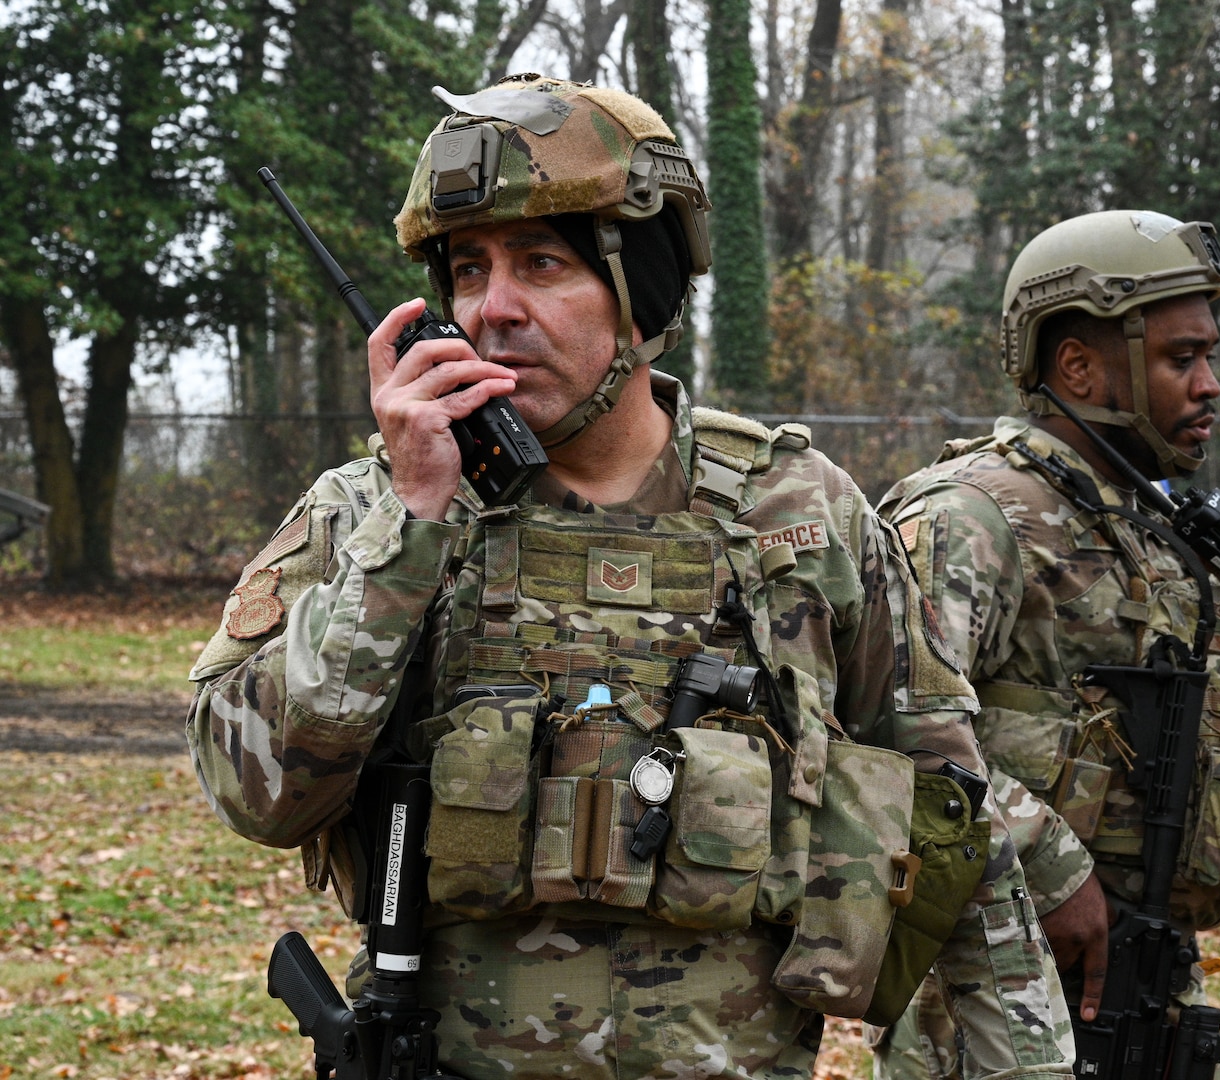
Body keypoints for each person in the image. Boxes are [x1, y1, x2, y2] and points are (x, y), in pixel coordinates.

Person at [185, 74, 1072, 1080]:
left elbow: (948, 823)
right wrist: (414, 521)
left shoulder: (799, 515)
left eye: (542, 262)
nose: (493, 310)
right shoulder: (370, 510)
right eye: (468, 270)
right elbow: (257, 793)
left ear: (643, 288)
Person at [870, 210, 1220, 1079]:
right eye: (1179, 359)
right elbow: (886, 732)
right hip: (994, 993)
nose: (1210, 385)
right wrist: (1049, 869)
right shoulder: (971, 517)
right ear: (1079, 366)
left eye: (1210, 356)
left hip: (1149, 984)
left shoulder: (1166, 535)